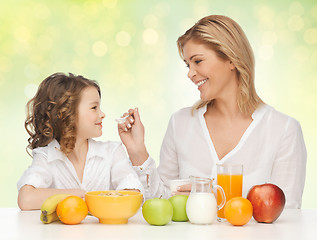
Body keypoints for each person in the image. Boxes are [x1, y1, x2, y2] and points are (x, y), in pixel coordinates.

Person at [118, 15, 307, 208]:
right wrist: (137, 151)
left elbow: (287, 215)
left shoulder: (283, 130)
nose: (190, 73)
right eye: (187, 64)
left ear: (232, 59)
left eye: (198, 61)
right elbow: (162, 203)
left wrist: (212, 197)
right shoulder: (180, 123)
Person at [17, 73, 143, 210]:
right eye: (94, 108)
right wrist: (79, 195)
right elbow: (26, 199)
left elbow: (133, 193)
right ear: (66, 114)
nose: (102, 114)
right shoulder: (46, 157)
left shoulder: (112, 152)